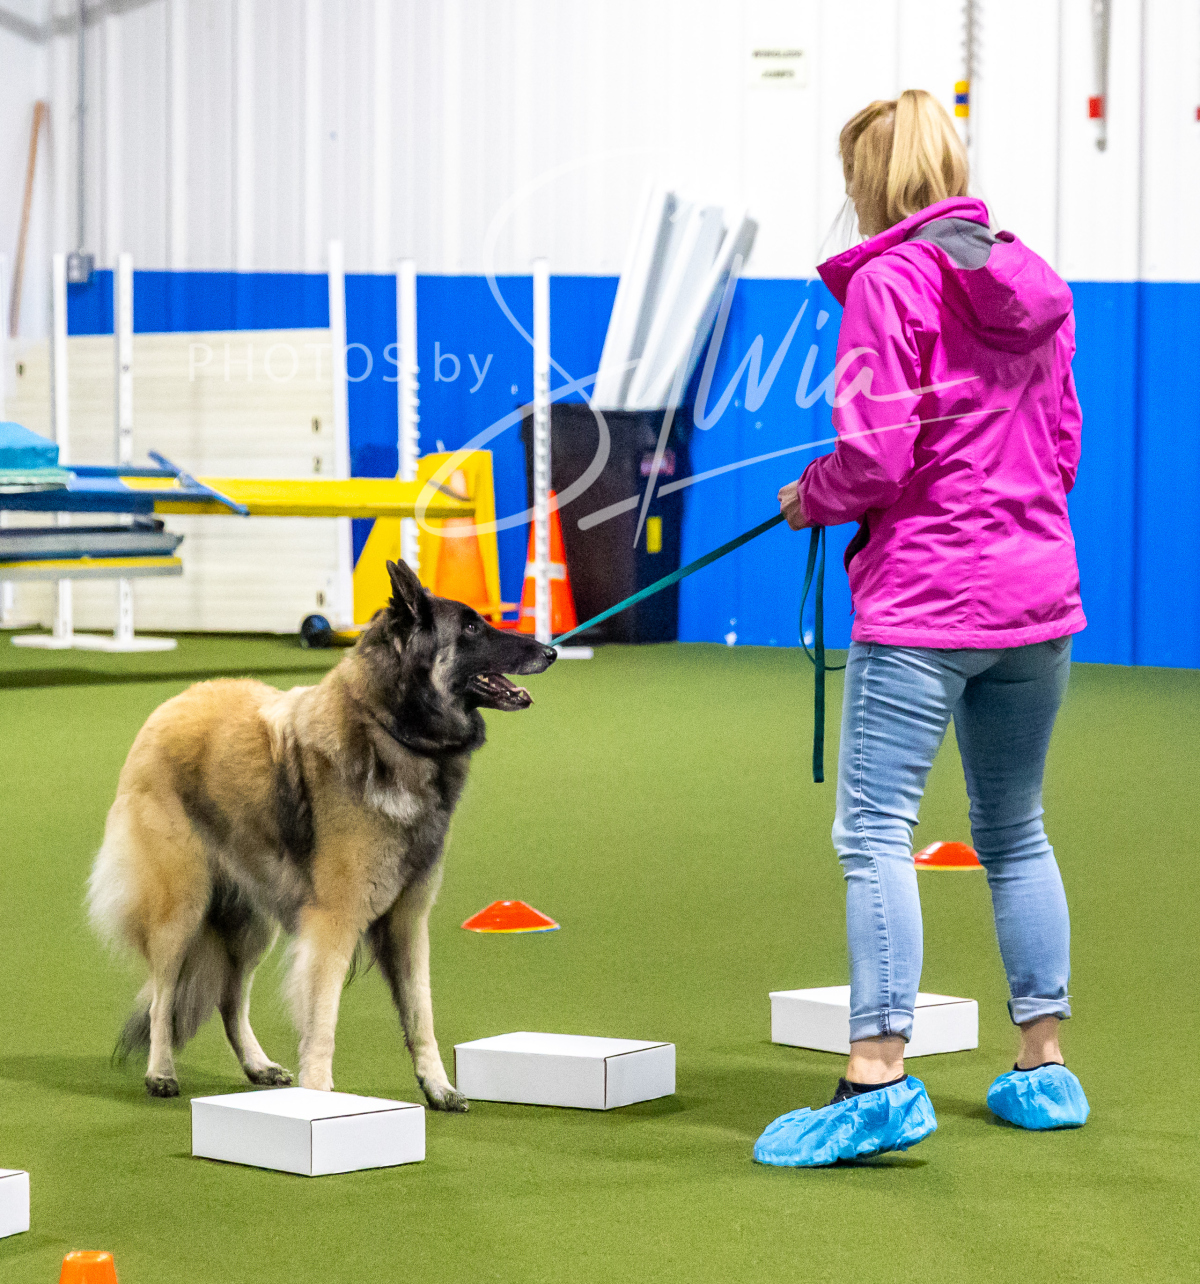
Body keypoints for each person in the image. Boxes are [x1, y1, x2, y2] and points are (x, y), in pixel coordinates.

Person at [754, 90, 1090, 1169]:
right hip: (1038, 601)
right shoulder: (1037, 283)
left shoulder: (888, 283)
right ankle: (1043, 1065)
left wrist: (812, 496)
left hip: (925, 605)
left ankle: (877, 1077)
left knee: (875, 832)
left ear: (869, 182)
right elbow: (1064, 446)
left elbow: (875, 457)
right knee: (1016, 829)